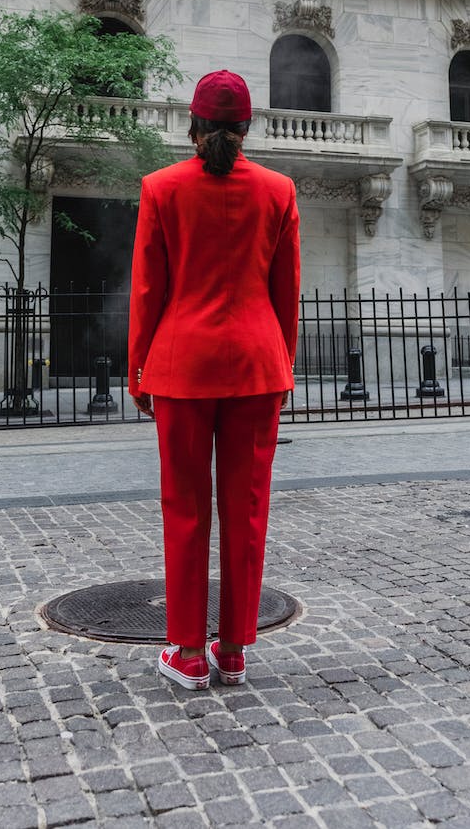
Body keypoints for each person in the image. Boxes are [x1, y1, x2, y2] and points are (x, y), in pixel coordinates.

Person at [128, 69, 300, 689]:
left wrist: (137, 371)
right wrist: (284, 365)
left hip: (181, 364)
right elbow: (287, 293)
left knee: (185, 507)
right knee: (247, 508)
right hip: (257, 364)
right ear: (246, 127)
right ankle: (233, 650)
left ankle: (187, 651)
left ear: (192, 125)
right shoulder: (280, 191)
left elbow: (148, 290)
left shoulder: (161, 188)